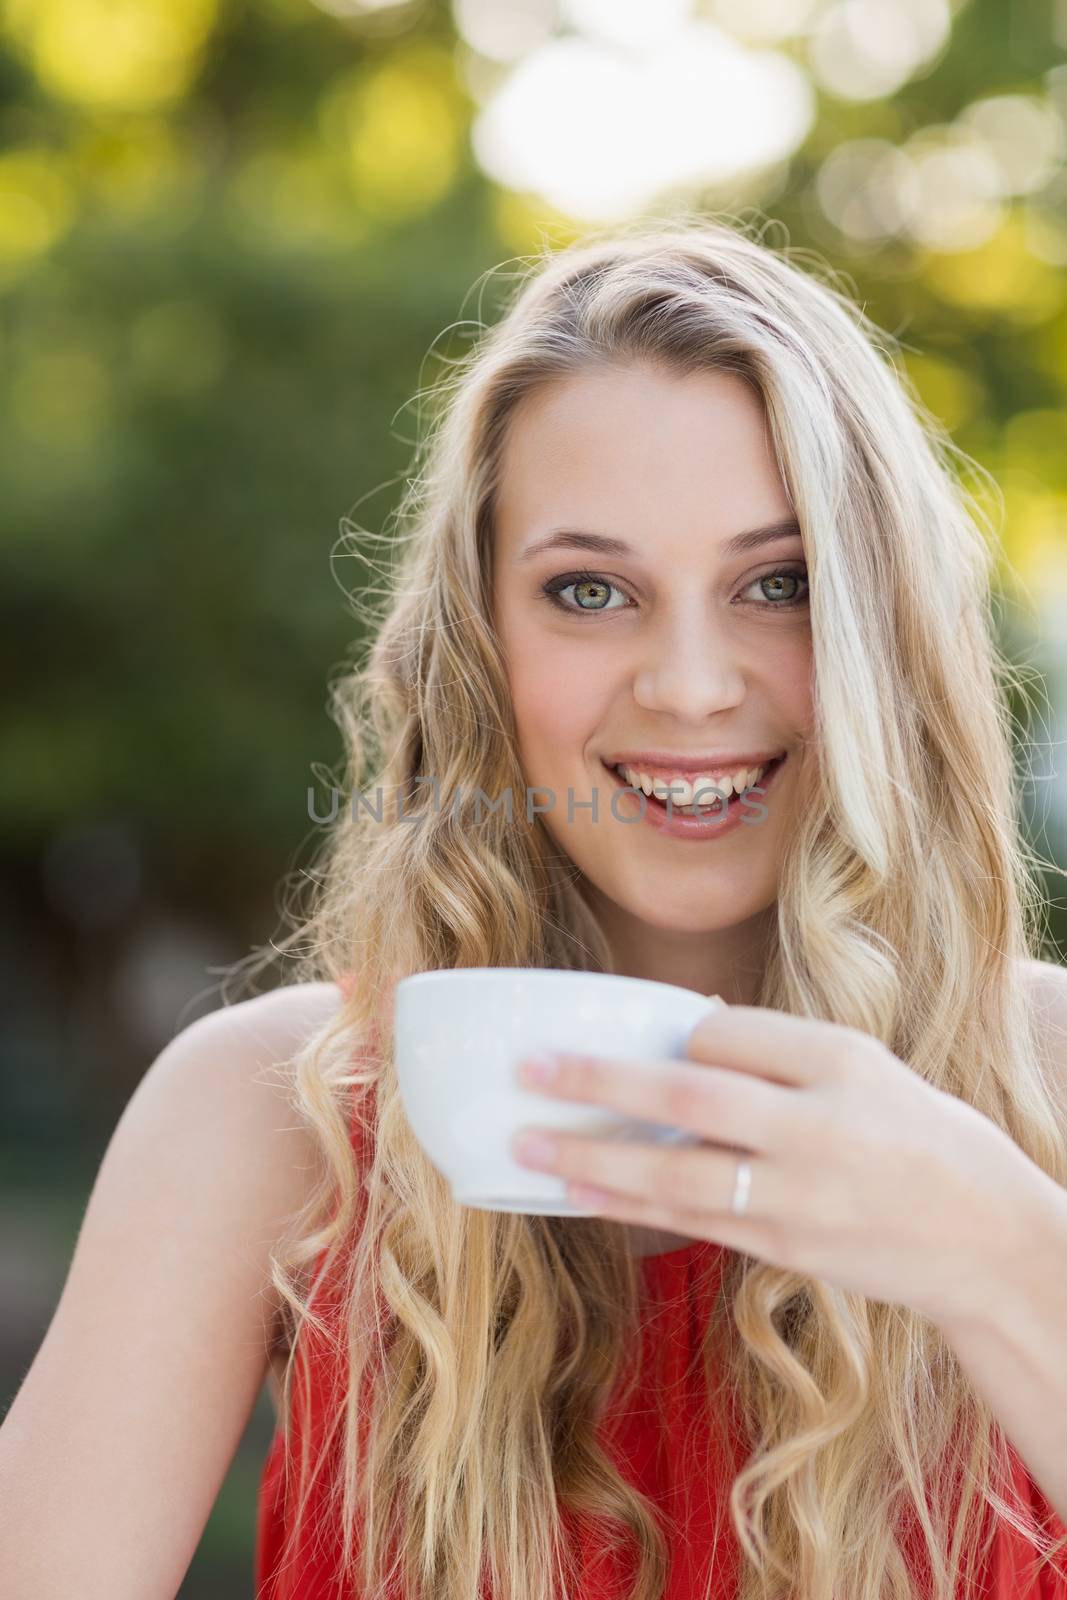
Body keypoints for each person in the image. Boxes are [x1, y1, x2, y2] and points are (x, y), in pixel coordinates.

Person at [2, 217, 1067, 1600]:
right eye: (589, 591)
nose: (690, 685)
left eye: (780, 585)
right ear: (479, 647)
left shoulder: (1044, 1089)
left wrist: (996, 1252)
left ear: (890, 629)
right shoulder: (274, 1121)